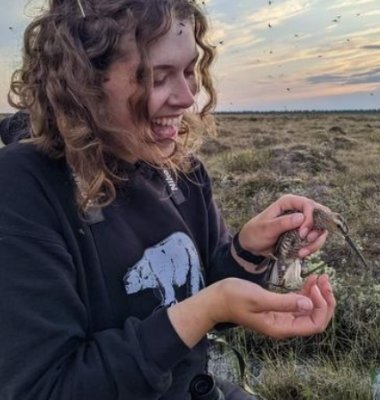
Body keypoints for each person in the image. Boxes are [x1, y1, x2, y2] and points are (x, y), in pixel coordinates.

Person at [0, 0, 336, 399]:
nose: (187, 97)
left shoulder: (182, 171)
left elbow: (206, 291)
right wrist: (206, 309)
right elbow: (45, 388)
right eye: (158, 77)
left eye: (190, 71)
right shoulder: (24, 186)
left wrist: (248, 251)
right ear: (83, 82)